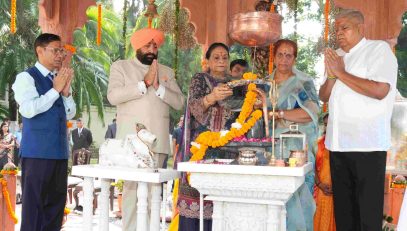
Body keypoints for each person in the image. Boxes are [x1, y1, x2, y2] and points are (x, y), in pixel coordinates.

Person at [319, 9, 398, 231]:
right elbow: (323, 96)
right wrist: (333, 75)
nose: (339, 34)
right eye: (336, 30)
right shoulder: (336, 56)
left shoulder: (378, 50)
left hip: (368, 145)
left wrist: (341, 73)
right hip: (338, 145)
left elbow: (380, 90)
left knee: (367, 217)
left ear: (360, 28)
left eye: (345, 28)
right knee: (345, 215)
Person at [107, 27, 184, 230]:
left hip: (157, 141)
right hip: (132, 144)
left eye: (155, 45)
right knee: (132, 192)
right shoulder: (121, 67)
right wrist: (143, 83)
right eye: (147, 45)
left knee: (153, 194)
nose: (152, 49)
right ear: (136, 47)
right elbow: (113, 96)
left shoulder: (166, 71)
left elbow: (179, 103)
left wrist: (159, 87)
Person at [12, 33, 76, 231]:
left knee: (55, 209)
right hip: (37, 153)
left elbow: (71, 112)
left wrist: (65, 94)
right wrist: (55, 91)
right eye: (55, 50)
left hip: (59, 153)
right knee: (34, 210)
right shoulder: (26, 77)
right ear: (40, 51)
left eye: (62, 51)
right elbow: (28, 109)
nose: (60, 55)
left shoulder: (58, 78)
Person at [175, 42, 240, 231]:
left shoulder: (237, 84)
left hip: (228, 150)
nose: (221, 61)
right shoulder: (200, 79)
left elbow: (243, 113)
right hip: (200, 150)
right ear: (208, 61)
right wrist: (212, 97)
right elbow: (194, 108)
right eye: (216, 57)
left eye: (225, 57)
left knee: (223, 204)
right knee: (196, 200)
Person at [267, 39, 319, 230]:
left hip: (296, 152)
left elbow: (311, 114)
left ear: (294, 59)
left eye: (289, 55)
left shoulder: (303, 82)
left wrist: (279, 114)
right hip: (268, 151)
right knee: (271, 204)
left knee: (296, 201)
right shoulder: (265, 84)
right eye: (280, 54)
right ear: (274, 58)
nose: (284, 59)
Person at [314, 114, 335, 231]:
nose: (327, 128)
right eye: (326, 125)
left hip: (339, 194)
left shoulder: (345, 146)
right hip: (320, 192)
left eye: (330, 124)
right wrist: (320, 184)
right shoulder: (318, 144)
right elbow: (311, 167)